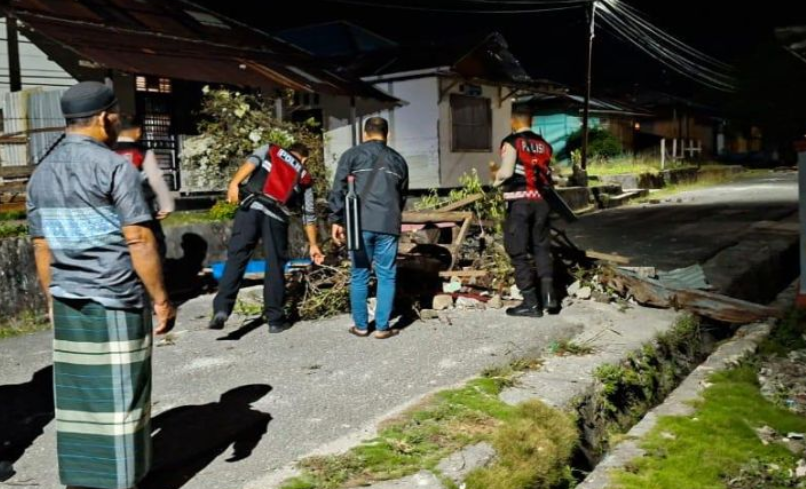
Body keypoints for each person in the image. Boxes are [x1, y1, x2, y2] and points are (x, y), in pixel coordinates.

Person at [27, 80, 176, 489]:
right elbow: (139, 239)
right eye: (115, 115)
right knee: (124, 392)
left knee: (79, 397)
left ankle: (83, 477)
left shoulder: (42, 172)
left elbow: (42, 247)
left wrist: (50, 298)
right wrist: (161, 299)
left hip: (67, 297)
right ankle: (122, 479)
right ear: (105, 117)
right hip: (115, 297)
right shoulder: (114, 167)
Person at [209, 142, 325, 333]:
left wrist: (234, 183)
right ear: (305, 159)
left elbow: (251, 164)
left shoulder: (271, 149)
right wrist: (313, 244)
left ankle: (221, 309)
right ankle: (275, 320)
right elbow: (309, 215)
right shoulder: (304, 176)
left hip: (251, 208)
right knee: (275, 265)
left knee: (237, 258)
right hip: (277, 217)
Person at [328, 117, 409, 339]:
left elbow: (338, 190)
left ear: (364, 134)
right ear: (387, 134)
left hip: (358, 224)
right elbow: (402, 196)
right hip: (388, 224)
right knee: (386, 275)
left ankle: (361, 326)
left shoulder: (351, 155)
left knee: (359, 273)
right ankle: (382, 327)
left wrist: (336, 219)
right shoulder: (399, 160)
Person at [491, 107, 559, 317]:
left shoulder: (512, 141)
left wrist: (495, 177)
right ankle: (549, 297)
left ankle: (531, 303)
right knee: (541, 247)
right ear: (532, 119)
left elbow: (507, 171)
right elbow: (550, 173)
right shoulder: (545, 144)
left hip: (520, 201)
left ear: (513, 121)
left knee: (517, 250)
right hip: (543, 202)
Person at [114, 115, 175, 257]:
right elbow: (155, 179)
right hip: (141, 206)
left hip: (114, 208)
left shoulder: (106, 151)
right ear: (138, 131)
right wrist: (166, 205)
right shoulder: (142, 151)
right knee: (153, 243)